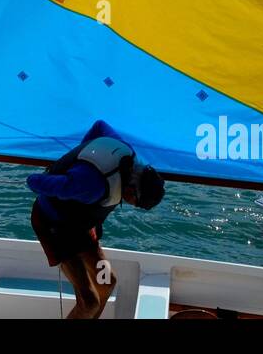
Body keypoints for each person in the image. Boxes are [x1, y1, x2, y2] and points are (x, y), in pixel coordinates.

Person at [27, 119, 165, 318]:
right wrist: (36, 180)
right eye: (135, 203)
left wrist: (82, 156)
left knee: (107, 282)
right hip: (55, 228)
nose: (132, 206)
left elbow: (100, 126)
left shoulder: (125, 152)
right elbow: (49, 185)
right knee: (89, 301)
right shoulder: (93, 186)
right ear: (132, 189)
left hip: (82, 228)